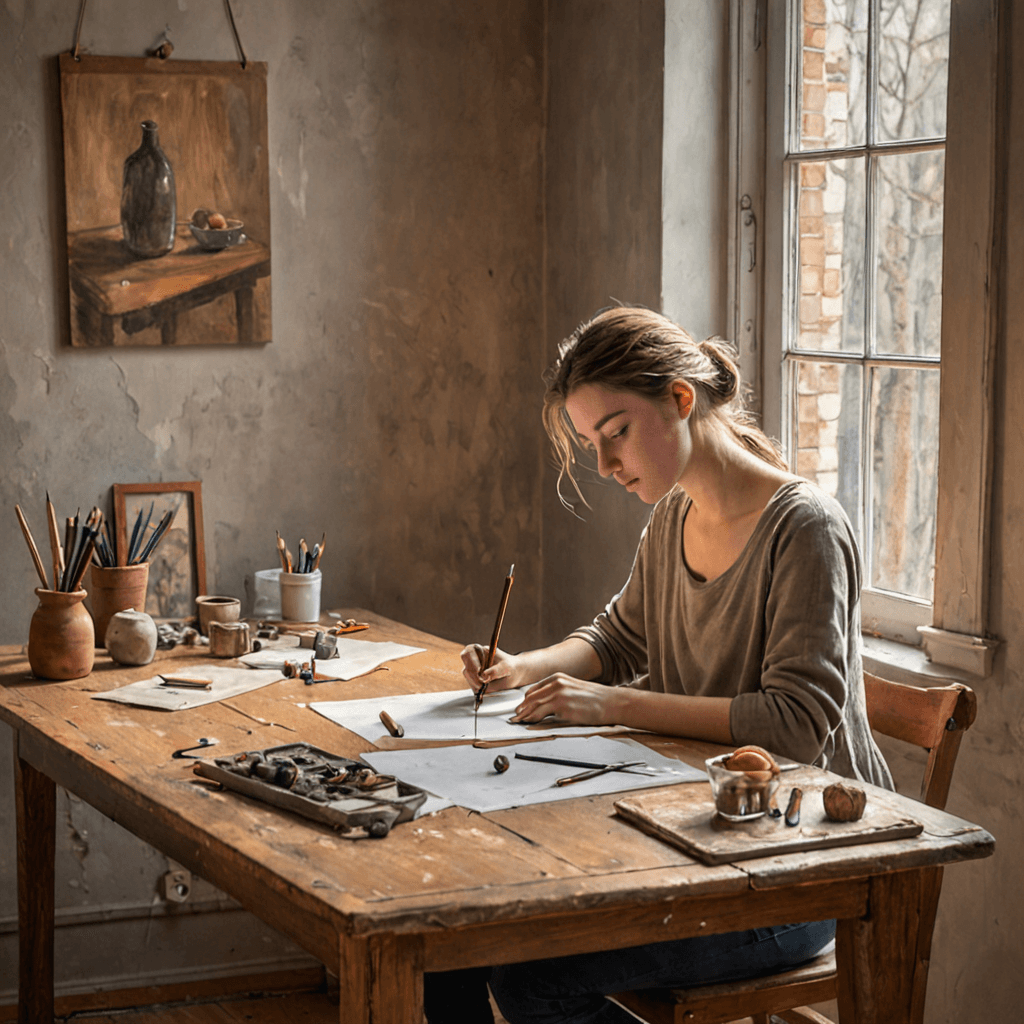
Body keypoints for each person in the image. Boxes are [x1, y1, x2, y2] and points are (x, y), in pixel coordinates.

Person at [428, 306, 892, 1024]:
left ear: (680, 399)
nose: (606, 465)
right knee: (445, 940)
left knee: (530, 981)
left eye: (615, 433)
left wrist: (612, 703)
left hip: (801, 874)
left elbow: (793, 726)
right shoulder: (673, 516)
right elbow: (617, 639)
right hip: (696, 841)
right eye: (593, 444)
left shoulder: (805, 528)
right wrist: (523, 667)